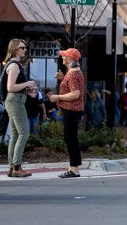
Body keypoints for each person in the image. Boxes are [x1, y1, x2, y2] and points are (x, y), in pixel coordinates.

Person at [2, 39, 38, 177]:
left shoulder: (14, 65)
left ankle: (12, 168)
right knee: (24, 133)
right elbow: (10, 87)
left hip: (14, 100)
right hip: (15, 102)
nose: (25, 50)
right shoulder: (14, 66)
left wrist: (28, 91)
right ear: (15, 49)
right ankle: (17, 167)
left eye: (25, 47)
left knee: (15, 135)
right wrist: (28, 83)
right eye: (22, 48)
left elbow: (14, 87)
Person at [48, 48, 85, 178]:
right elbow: (74, 88)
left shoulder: (73, 73)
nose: (62, 58)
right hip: (74, 110)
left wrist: (57, 97)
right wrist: (63, 78)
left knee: (71, 139)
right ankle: (73, 167)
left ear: (70, 59)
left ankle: (74, 169)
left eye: (64, 56)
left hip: (72, 110)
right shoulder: (74, 72)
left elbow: (75, 93)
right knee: (70, 138)